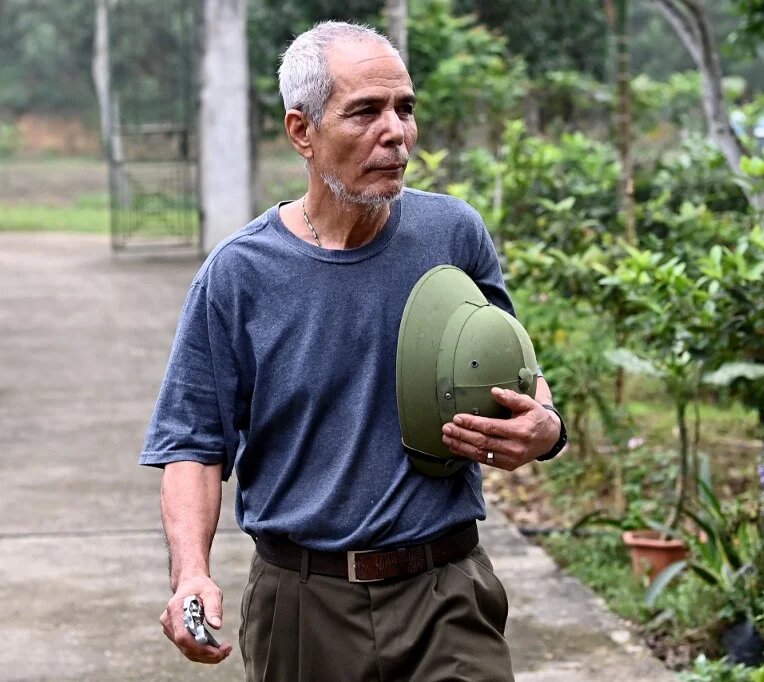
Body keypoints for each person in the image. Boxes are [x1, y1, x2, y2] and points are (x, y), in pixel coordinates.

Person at [139, 20, 566, 682]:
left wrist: (546, 427)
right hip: (304, 602)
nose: (395, 131)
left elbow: (515, 378)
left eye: (405, 108)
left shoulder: (453, 234)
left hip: (445, 591)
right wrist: (190, 572)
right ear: (302, 131)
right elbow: (194, 444)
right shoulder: (241, 274)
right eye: (365, 111)